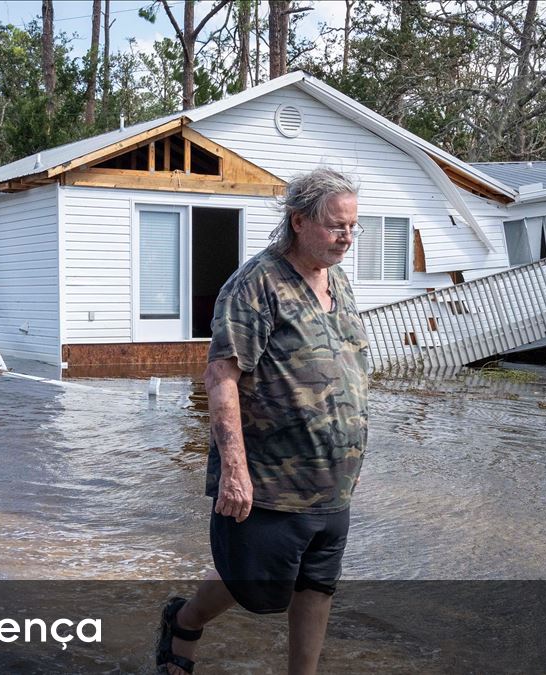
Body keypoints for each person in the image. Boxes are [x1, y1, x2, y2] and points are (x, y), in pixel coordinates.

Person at [156, 168, 371, 675]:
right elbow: (221, 377)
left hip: (334, 480)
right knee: (254, 584)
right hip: (274, 480)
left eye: (353, 227)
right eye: (336, 226)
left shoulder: (338, 282)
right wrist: (235, 469)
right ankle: (184, 622)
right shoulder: (258, 284)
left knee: (317, 587)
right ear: (299, 221)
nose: (347, 237)